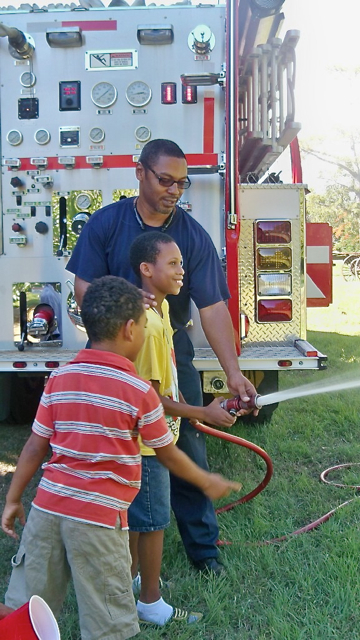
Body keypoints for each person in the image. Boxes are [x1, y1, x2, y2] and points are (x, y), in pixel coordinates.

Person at [1, 276, 241, 640]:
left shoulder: (60, 377)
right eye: (145, 327)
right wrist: (207, 481)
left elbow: (36, 446)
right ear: (130, 329)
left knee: (23, 609)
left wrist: (14, 498)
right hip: (98, 521)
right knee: (109, 622)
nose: (145, 334)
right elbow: (167, 454)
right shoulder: (138, 390)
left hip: (47, 511)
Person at [66, 138, 258, 575]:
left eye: (182, 182)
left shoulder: (191, 235)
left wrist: (233, 373)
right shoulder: (107, 223)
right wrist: (120, 300)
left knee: (184, 440)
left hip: (169, 350)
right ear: (140, 173)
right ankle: (108, 550)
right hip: (109, 355)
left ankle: (204, 552)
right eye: (165, 180)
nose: (174, 190)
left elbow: (211, 306)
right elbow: (82, 288)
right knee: (109, 451)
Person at [128, 232, 238, 626]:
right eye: (172, 264)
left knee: (140, 521)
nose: (182, 271)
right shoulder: (150, 324)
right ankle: (150, 602)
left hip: (151, 440)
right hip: (146, 447)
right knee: (152, 523)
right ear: (146, 270)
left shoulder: (158, 315)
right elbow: (151, 400)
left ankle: (130, 584)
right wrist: (202, 412)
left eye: (181, 263)